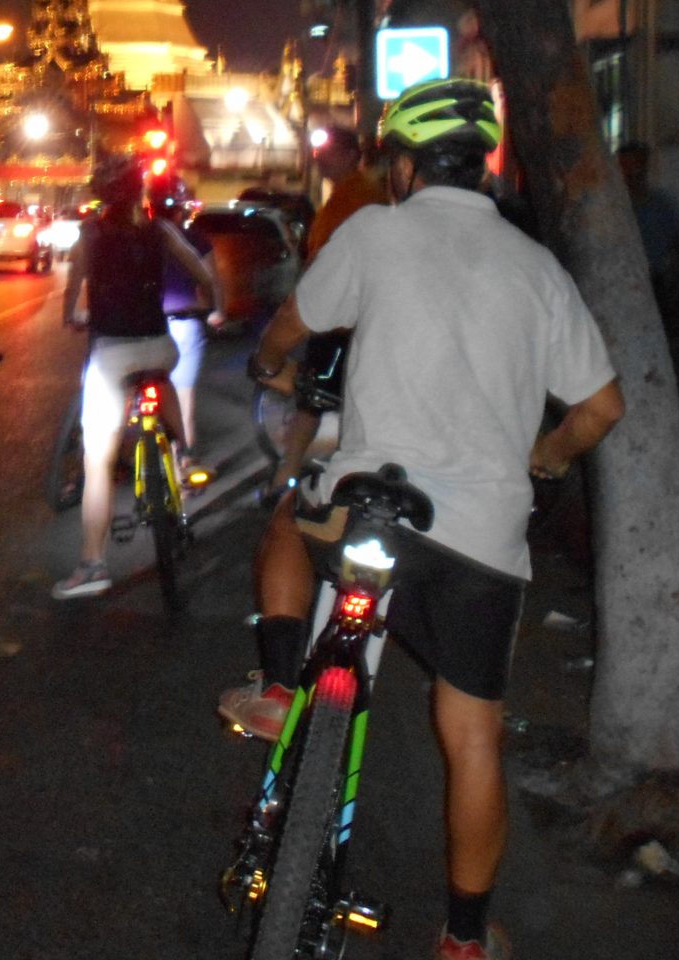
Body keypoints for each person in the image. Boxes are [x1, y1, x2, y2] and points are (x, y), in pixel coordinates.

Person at [223, 76, 623, 960]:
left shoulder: (375, 231)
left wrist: (268, 363)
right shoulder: (537, 265)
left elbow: (292, 327)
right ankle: (466, 940)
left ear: (403, 167)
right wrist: (544, 457)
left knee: (292, 520)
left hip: (368, 515)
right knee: (472, 735)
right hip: (481, 538)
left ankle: (283, 686)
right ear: (480, 168)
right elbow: (600, 408)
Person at [53, 153, 218, 600]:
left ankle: (92, 564)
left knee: (98, 463)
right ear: (139, 193)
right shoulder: (161, 231)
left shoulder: (89, 236)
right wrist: (212, 303)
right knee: (160, 377)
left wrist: (72, 315)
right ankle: (180, 453)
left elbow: (73, 290)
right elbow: (201, 272)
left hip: (110, 353)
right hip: (158, 345)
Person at [267, 125, 389, 501]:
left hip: (344, 319)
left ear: (353, 155)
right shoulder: (344, 197)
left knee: (318, 399)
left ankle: (296, 482)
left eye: (330, 153)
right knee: (318, 398)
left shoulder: (362, 196)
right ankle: (289, 479)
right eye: (320, 154)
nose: (321, 161)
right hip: (335, 315)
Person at [148, 174, 221, 468]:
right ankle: (185, 463)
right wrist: (216, 311)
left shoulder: (138, 238)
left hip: (145, 326)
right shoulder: (196, 240)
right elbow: (210, 280)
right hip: (184, 324)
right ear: (180, 209)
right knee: (183, 398)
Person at [616, 140, 679, 313]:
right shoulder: (610, 207)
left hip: (653, 282)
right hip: (617, 282)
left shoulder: (662, 204)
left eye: (636, 164)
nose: (632, 171)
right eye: (626, 165)